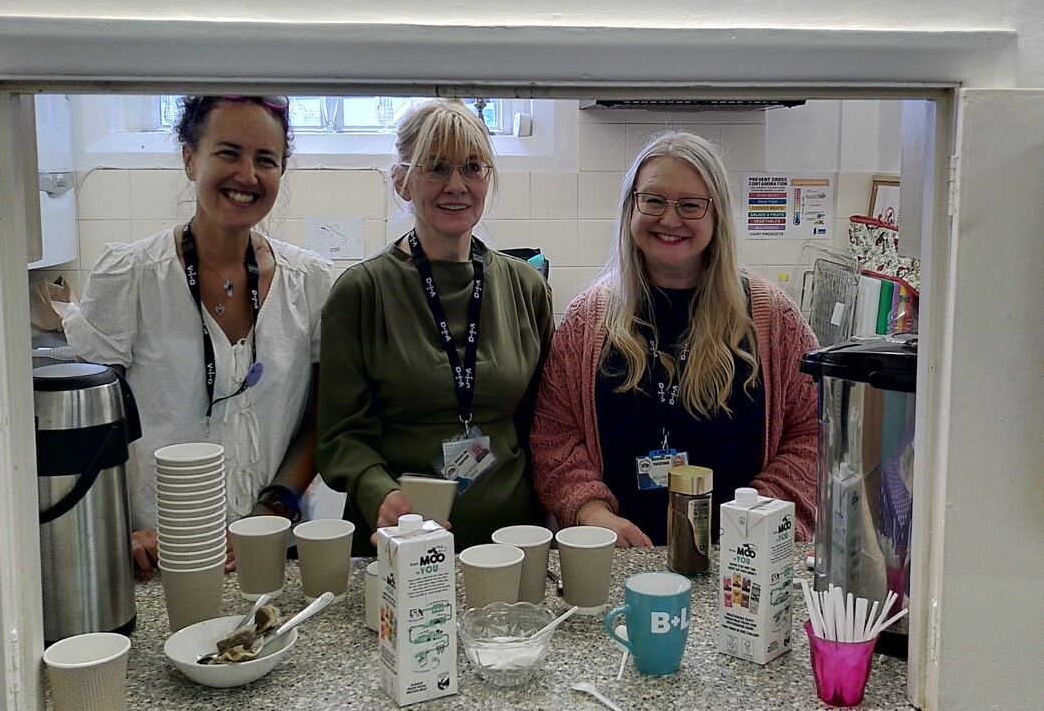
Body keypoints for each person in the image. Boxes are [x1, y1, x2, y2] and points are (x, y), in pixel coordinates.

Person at [63, 95, 335, 577]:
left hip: (271, 552)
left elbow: (320, 416)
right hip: (157, 555)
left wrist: (271, 511)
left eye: (265, 160)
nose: (247, 175)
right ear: (190, 159)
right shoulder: (132, 276)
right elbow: (87, 429)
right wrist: (113, 529)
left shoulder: (309, 282)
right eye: (228, 153)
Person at [530, 130, 818, 547]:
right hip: (619, 562)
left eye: (690, 205)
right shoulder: (586, 322)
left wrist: (760, 518)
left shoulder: (773, 319)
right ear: (631, 208)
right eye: (654, 201)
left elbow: (813, 433)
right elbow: (555, 437)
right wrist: (591, 512)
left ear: (716, 215)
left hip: (741, 561)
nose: (669, 219)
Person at [316, 99, 554, 555]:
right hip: (401, 541)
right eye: (437, 167)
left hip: (512, 541)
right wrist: (378, 494)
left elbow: (545, 426)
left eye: (472, 168)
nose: (456, 185)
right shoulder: (361, 293)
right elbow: (339, 437)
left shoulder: (527, 289)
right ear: (402, 181)